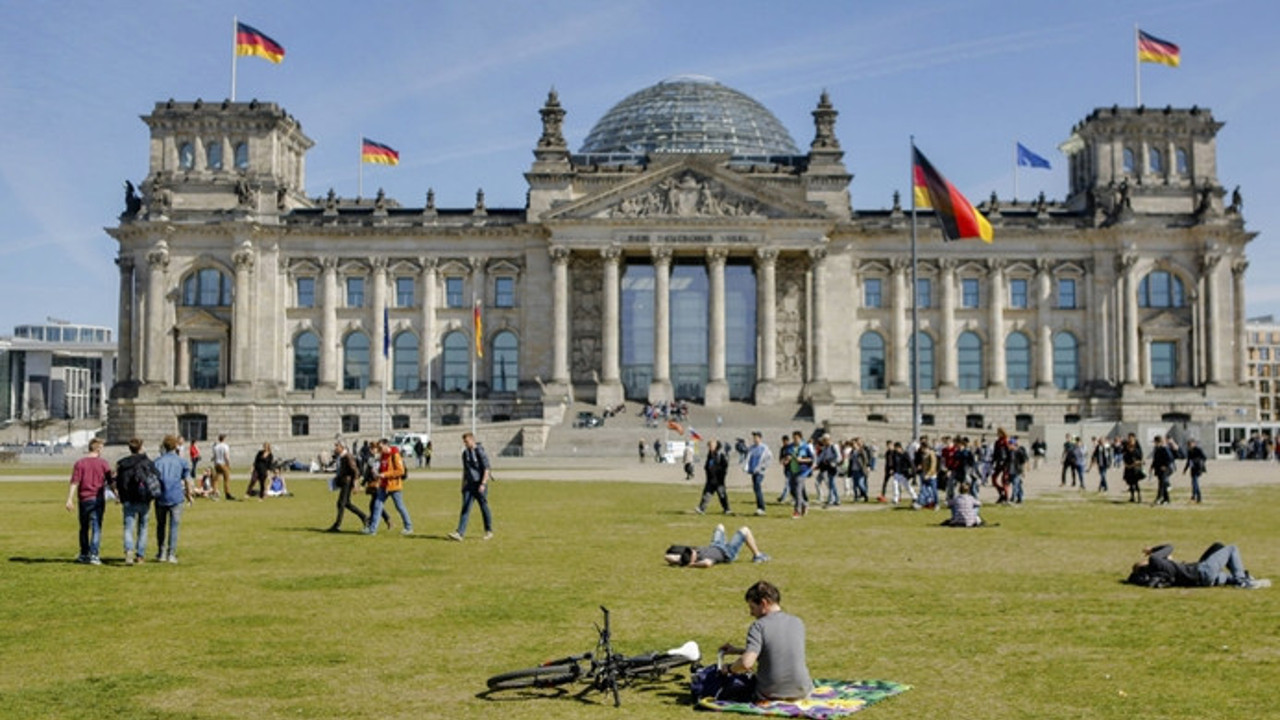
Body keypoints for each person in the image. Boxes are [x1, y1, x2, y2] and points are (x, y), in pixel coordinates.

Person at [716, 580, 811, 702]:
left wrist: (729, 669)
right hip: (802, 690)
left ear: (764, 603)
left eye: (752, 607)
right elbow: (775, 651)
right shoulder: (797, 622)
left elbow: (746, 663)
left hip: (770, 693)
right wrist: (737, 650)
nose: (751, 613)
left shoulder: (759, 626)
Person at [1126, 543, 1270, 589]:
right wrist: (1152, 550)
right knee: (1232, 548)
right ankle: (1242, 580)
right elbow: (1169, 547)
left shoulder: (1159, 575)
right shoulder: (1154, 561)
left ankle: (1243, 578)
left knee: (1218, 546)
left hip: (1201, 580)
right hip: (1203, 571)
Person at [65, 437, 113, 565]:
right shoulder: (103, 463)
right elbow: (110, 481)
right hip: (97, 498)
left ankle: (84, 553)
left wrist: (69, 499)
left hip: (84, 498)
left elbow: (75, 482)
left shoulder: (80, 463)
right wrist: (117, 494)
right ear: (98, 449)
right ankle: (94, 555)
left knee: (84, 527)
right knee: (96, 527)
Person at [115, 437, 157, 565]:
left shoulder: (123, 464)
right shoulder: (147, 462)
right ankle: (140, 555)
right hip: (144, 498)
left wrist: (121, 496)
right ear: (141, 447)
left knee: (128, 527)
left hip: (128, 498)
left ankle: (129, 550)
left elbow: (119, 482)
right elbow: (155, 477)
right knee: (143, 527)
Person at [153, 434, 193, 563]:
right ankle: (171, 554)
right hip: (176, 496)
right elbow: (187, 480)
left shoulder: (157, 462)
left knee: (161, 525)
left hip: (160, 497)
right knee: (174, 526)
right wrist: (189, 495)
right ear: (176, 446)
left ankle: (161, 552)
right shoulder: (181, 461)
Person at [448, 432, 493, 541]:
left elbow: (486, 469)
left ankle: (488, 530)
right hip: (469, 484)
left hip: (479, 484)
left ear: (472, 440)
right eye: (464, 442)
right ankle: (460, 533)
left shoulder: (480, 451)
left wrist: (483, 484)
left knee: (483, 507)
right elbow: (465, 470)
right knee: (465, 508)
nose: (465, 444)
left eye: (466, 442)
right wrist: (463, 484)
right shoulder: (465, 453)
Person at [364, 439, 413, 535]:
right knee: (377, 506)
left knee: (400, 507)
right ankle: (372, 529)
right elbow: (382, 468)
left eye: (381, 447)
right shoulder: (382, 456)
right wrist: (376, 473)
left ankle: (408, 527)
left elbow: (400, 471)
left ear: (386, 445)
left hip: (394, 486)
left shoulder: (395, 454)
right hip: (383, 485)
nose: (379, 449)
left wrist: (385, 474)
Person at [665, 524, 770, 567]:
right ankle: (757, 556)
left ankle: (757, 554)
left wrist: (681, 560)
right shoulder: (703, 559)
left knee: (720, 526)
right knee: (745, 530)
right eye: (692, 553)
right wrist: (692, 564)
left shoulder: (689, 554)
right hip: (727, 552)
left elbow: (667, 557)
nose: (693, 551)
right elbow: (707, 564)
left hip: (716, 545)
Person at [326, 440, 367, 532]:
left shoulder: (347, 456)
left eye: (337, 446)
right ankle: (364, 517)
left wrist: (355, 484)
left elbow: (355, 471)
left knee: (341, 503)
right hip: (344, 482)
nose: (335, 448)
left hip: (347, 483)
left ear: (342, 447)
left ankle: (337, 525)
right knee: (346, 504)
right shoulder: (341, 456)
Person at [696, 439, 731, 515]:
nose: (710, 447)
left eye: (711, 446)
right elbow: (708, 465)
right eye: (709, 446)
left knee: (722, 495)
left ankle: (727, 509)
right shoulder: (710, 455)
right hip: (710, 479)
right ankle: (701, 509)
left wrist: (720, 473)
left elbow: (724, 465)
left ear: (715, 446)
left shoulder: (720, 455)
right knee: (706, 494)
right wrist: (707, 468)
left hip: (718, 480)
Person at [744, 431, 772, 516]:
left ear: (760, 438)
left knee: (757, 486)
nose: (755, 439)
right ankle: (759, 508)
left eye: (756, 437)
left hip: (760, 472)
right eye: (754, 438)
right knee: (756, 489)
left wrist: (762, 467)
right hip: (753, 471)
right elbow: (748, 457)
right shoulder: (752, 448)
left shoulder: (764, 448)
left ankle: (761, 508)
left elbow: (769, 459)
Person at [788, 431, 814, 518]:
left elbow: (811, 459)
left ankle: (797, 511)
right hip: (792, 470)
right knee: (792, 491)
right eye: (793, 438)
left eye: (796, 438)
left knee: (798, 490)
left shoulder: (805, 447)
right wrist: (787, 459)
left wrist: (802, 460)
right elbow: (787, 455)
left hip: (802, 472)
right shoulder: (790, 447)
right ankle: (804, 504)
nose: (794, 440)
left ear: (800, 438)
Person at [815, 434, 841, 507]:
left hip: (834, 467)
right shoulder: (825, 448)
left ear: (828, 440)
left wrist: (833, 462)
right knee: (832, 484)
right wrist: (818, 463)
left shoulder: (834, 446)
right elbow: (821, 457)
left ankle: (831, 500)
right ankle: (837, 499)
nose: (823, 442)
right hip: (828, 467)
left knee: (831, 483)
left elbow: (839, 457)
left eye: (824, 440)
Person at [1149, 435, 1175, 506]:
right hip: (1158, 469)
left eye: (1156, 442)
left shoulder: (1165, 448)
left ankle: (1159, 498)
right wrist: (1152, 467)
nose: (1155, 444)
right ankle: (1166, 499)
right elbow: (1155, 460)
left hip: (1165, 470)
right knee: (1163, 484)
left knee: (1161, 484)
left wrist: (1165, 466)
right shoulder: (1157, 449)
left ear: (1159, 442)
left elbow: (1170, 458)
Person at [1122, 433, 1145, 503]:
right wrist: (1126, 464)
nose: (1130, 439)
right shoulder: (1126, 445)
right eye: (1129, 438)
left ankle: (1139, 496)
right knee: (1130, 483)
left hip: (1135, 467)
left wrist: (1138, 463)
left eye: (1131, 438)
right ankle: (1132, 497)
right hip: (1128, 467)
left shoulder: (1137, 447)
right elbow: (1124, 454)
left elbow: (1140, 456)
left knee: (1136, 482)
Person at [211, 433, 235, 500]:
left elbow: (214, 456)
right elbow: (226, 456)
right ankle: (227, 494)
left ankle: (215, 493)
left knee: (216, 480)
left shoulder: (216, 447)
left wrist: (213, 462)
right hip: (223, 464)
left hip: (217, 464)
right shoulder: (225, 446)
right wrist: (228, 464)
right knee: (226, 480)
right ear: (224, 439)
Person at [1183, 438, 1207, 503]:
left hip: (1198, 468)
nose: (1189, 446)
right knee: (1194, 483)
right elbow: (1188, 461)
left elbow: (1204, 458)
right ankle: (1195, 497)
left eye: (1190, 444)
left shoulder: (1198, 450)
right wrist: (1185, 469)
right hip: (1193, 468)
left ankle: (1196, 496)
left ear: (1194, 444)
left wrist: (1197, 461)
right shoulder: (1189, 451)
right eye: (1188, 445)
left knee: (1195, 482)